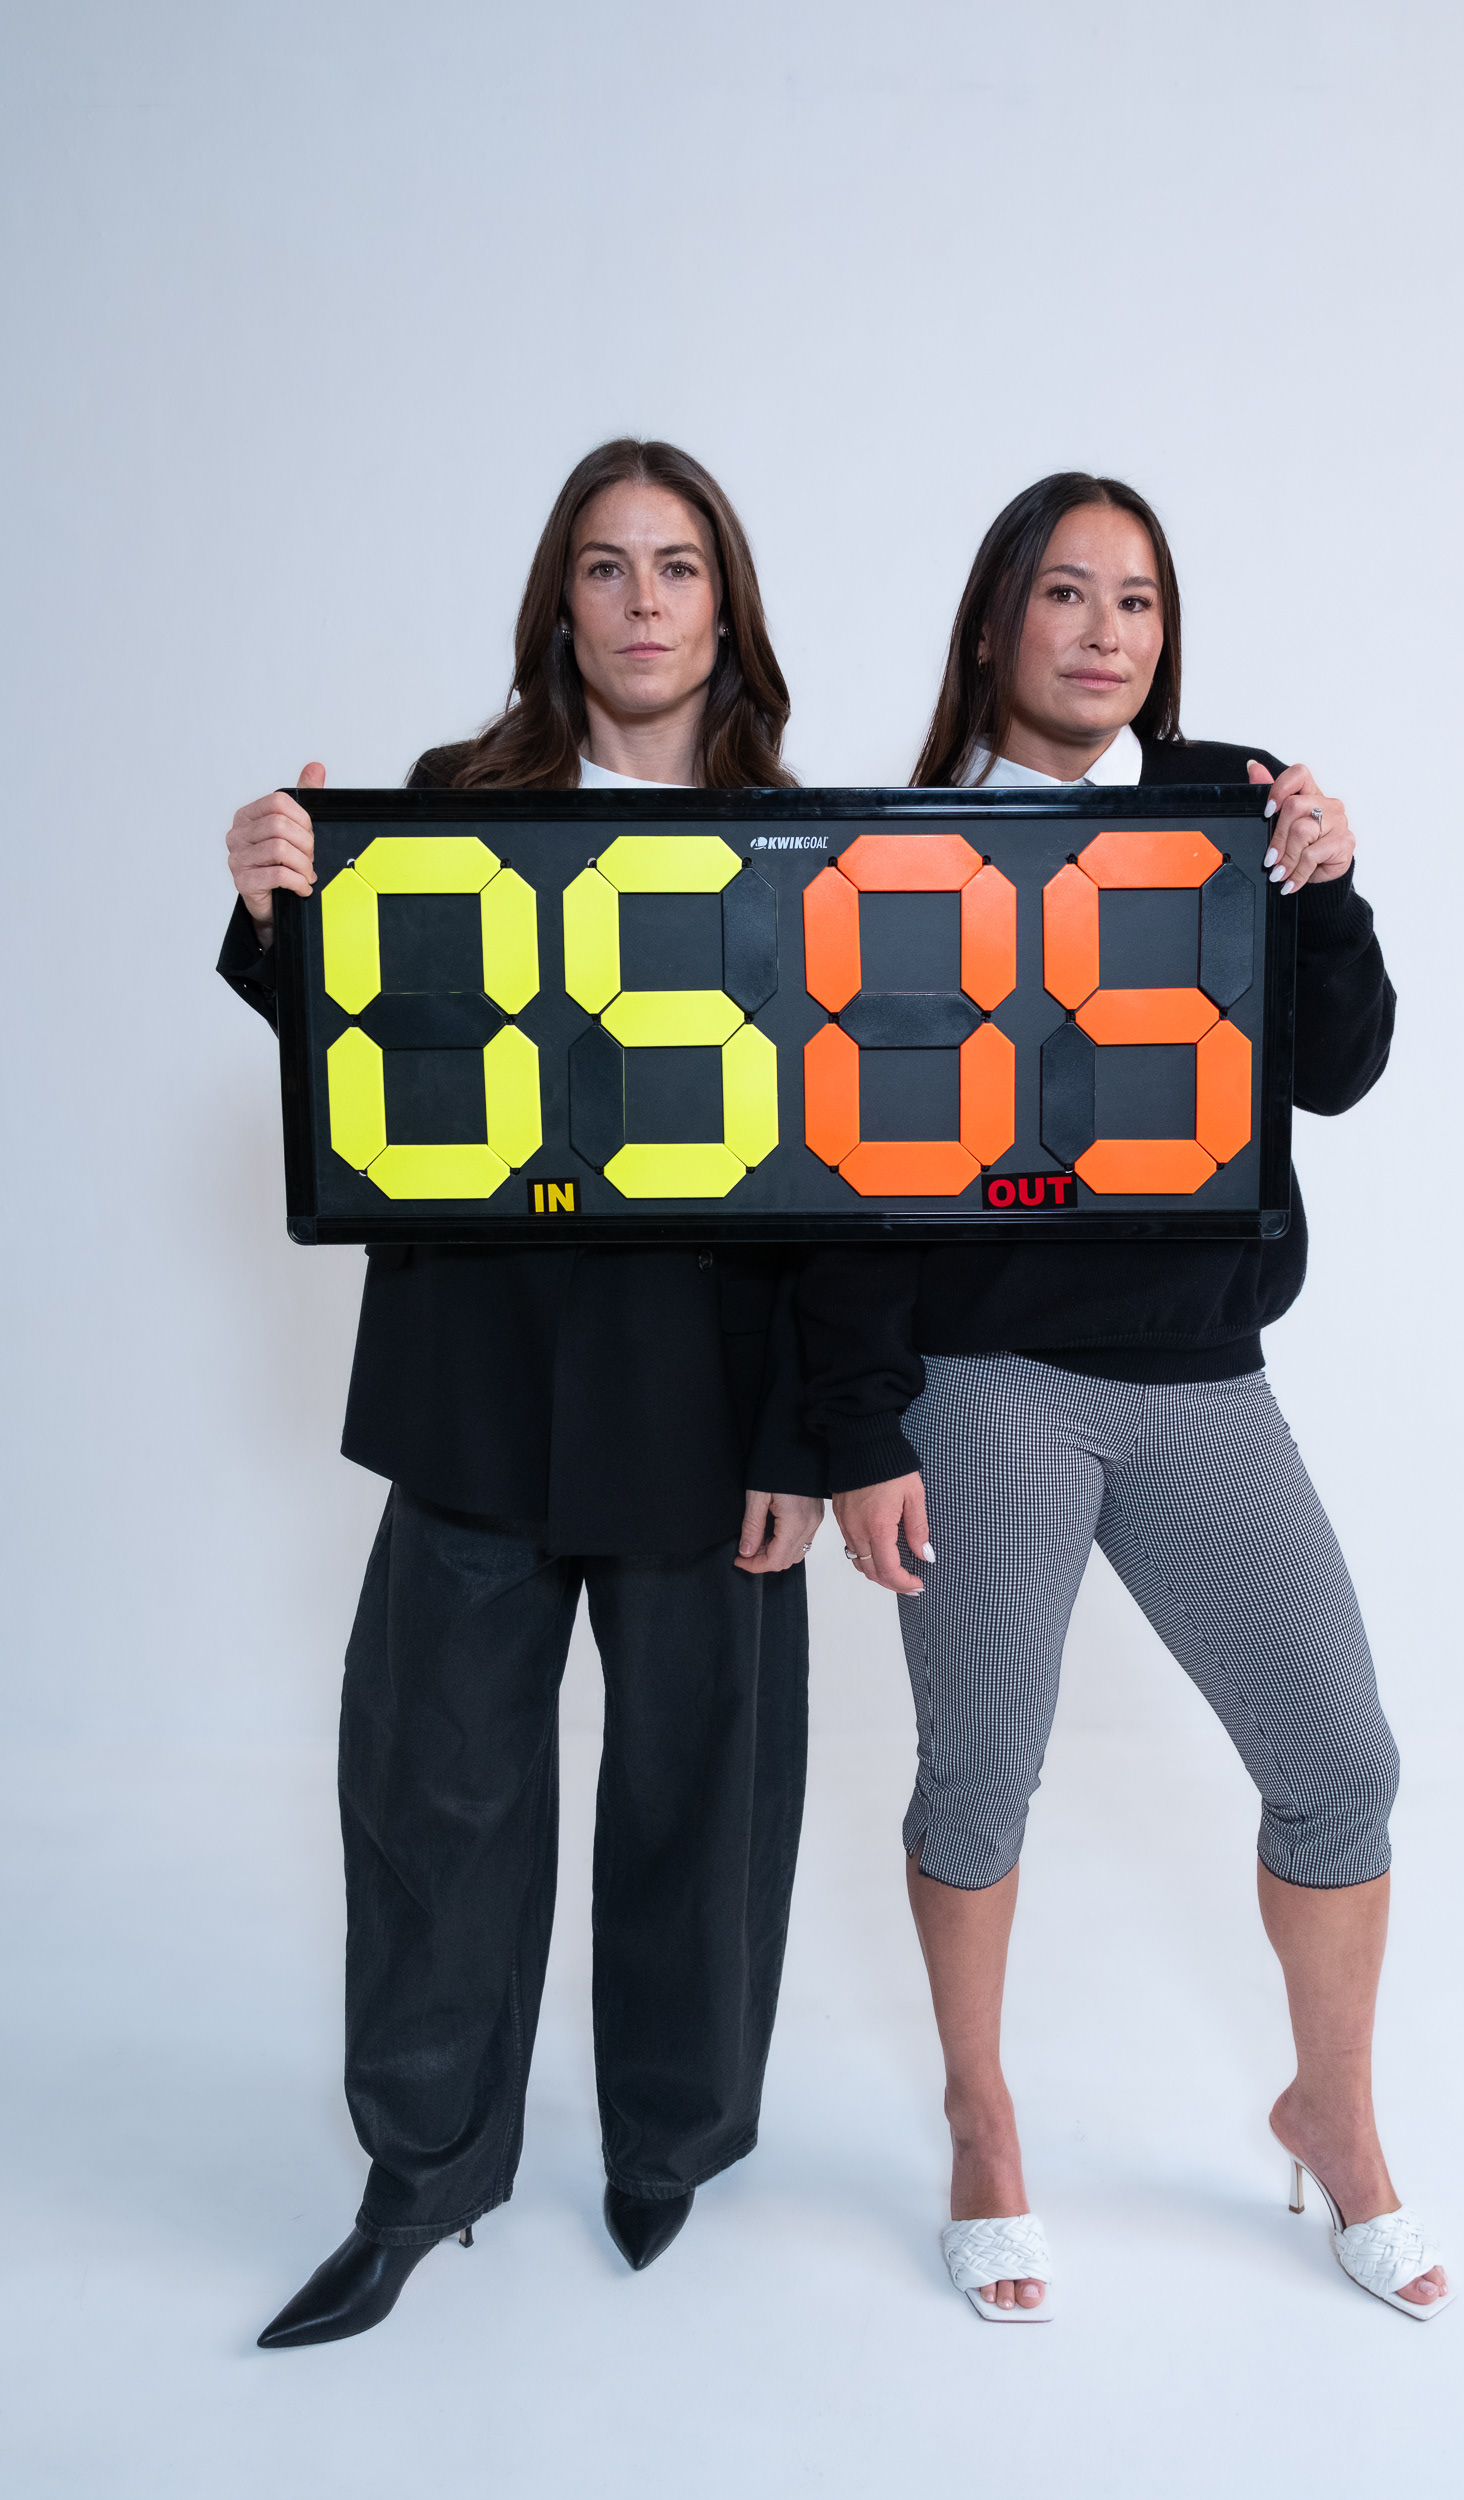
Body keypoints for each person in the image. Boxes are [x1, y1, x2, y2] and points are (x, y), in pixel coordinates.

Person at [798, 472, 1451, 2325]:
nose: (1105, 633)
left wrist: (1327, 885)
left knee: (1342, 1764)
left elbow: (1337, 1073)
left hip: (1205, 1378)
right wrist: (856, 1430)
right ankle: (984, 2118)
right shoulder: (897, 843)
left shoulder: (1227, 811)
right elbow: (840, 1160)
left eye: (1139, 603)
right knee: (983, 1774)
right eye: (1068, 596)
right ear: (997, 624)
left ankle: (1333, 2115)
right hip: (988, 1384)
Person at [220, 438, 824, 2347]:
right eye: (603, 565)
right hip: (478, 1393)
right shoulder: (438, 812)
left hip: (715, 1408)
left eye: (676, 564)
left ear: (725, 605)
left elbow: (852, 1179)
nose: (643, 599)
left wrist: (813, 1438)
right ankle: (422, 2178)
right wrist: (274, 911)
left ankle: (667, 2147)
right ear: (556, 603)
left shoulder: (811, 844)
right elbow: (353, 1052)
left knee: (699, 1805)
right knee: (436, 1791)